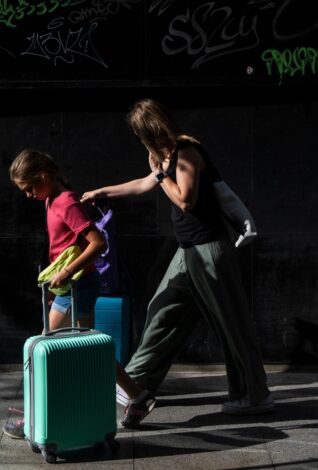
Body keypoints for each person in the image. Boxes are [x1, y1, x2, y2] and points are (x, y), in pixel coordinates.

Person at [80, 98, 273, 427]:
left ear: (149, 130)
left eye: (140, 135)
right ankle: (136, 385)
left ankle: (254, 396)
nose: (140, 142)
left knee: (231, 323)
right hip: (188, 252)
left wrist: (159, 177)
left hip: (210, 250)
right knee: (163, 311)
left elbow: (185, 200)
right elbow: (144, 183)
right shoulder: (164, 157)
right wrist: (103, 191)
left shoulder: (186, 152)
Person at [3, 149, 153, 439]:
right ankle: (137, 395)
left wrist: (66, 274)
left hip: (79, 285)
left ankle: (31, 417)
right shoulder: (51, 200)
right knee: (90, 348)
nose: (28, 195)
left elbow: (96, 244)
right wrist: (57, 280)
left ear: (44, 176)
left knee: (37, 351)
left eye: (29, 188)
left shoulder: (65, 202)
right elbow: (64, 246)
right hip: (71, 285)